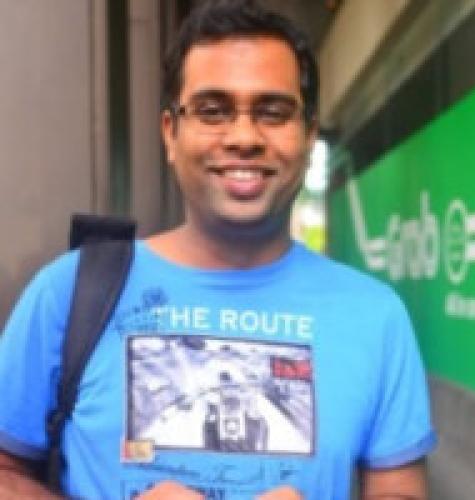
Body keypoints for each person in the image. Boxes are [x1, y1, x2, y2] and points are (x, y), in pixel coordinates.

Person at [0, 0, 437, 499]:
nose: (244, 137)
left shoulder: (374, 316)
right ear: (171, 133)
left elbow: (400, 490)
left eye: (273, 112)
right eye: (212, 111)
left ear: (309, 134)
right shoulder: (70, 291)